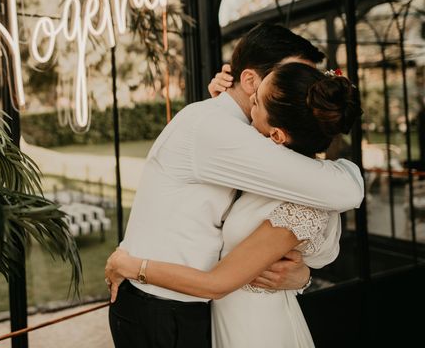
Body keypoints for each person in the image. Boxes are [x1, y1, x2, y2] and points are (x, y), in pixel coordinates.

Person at [106, 23, 364, 348]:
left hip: (196, 307)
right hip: (162, 307)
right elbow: (347, 190)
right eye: (291, 77)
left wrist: (301, 276)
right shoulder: (217, 129)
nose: (306, 92)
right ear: (252, 81)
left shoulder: (254, 140)